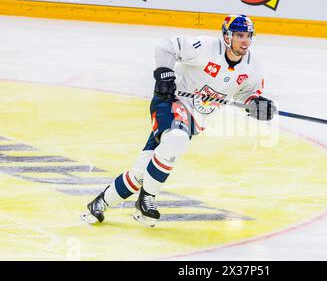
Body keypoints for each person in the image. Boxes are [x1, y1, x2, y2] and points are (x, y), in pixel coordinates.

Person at [81, 14, 277, 227]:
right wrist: (164, 74)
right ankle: (148, 198)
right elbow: (166, 47)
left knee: (142, 170)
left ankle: (100, 203)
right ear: (227, 36)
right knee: (177, 137)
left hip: (195, 118)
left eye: (248, 36)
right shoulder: (205, 47)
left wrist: (257, 104)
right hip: (170, 101)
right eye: (239, 35)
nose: (245, 41)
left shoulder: (252, 66)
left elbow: (246, 94)